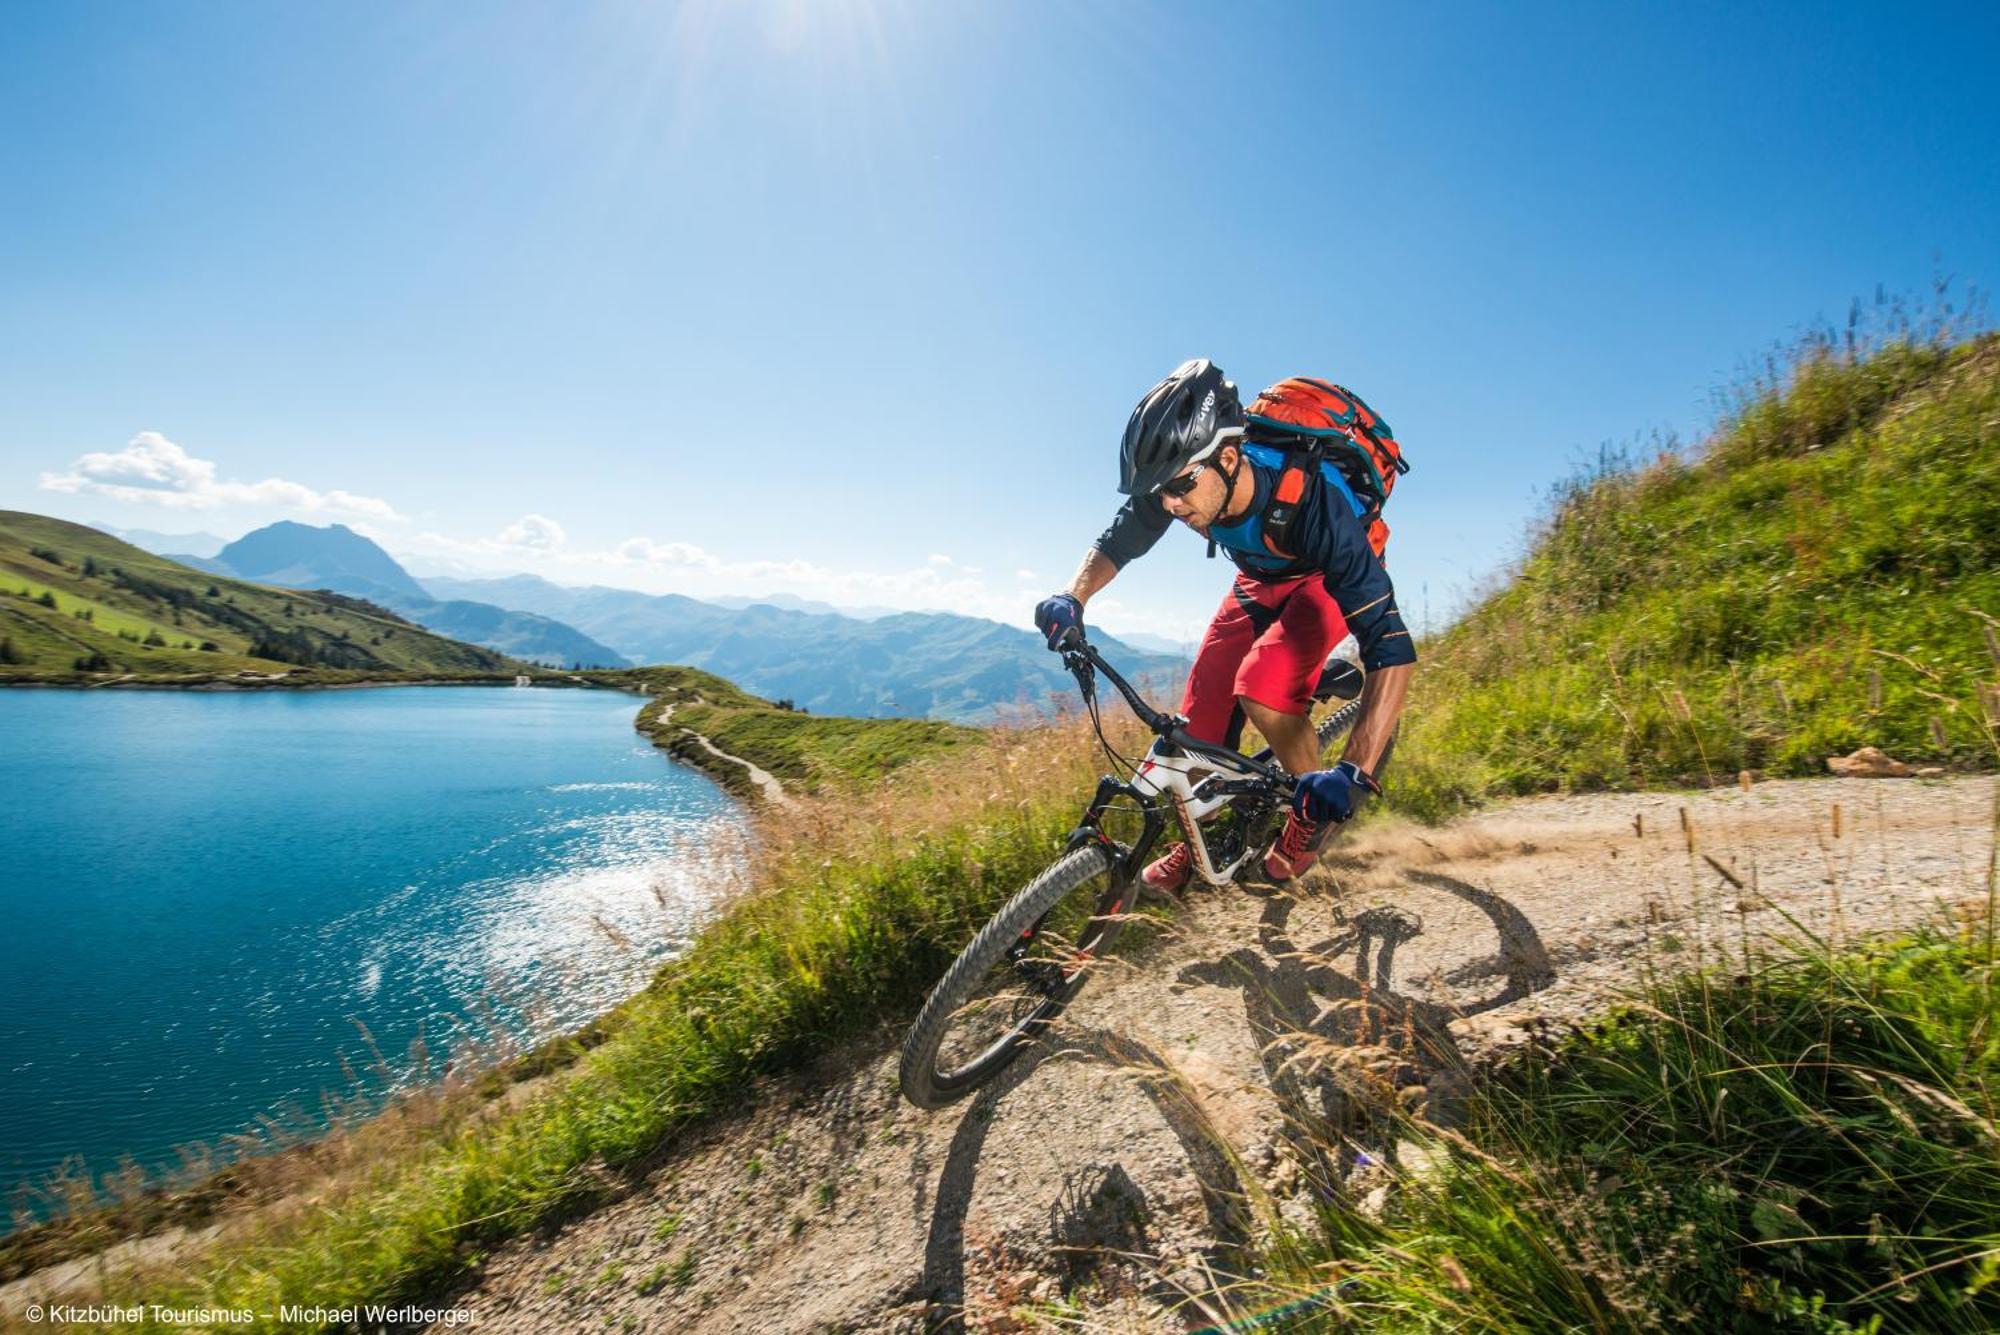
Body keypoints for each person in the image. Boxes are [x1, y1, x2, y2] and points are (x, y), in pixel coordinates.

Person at [1033, 358, 1416, 888]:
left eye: (1181, 486)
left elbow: (1390, 643)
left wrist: (1353, 773)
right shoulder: (1183, 483)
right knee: (1201, 710)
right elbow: (1119, 541)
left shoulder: (1315, 502)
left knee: (1264, 686)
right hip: (1262, 577)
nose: (1169, 503)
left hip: (1327, 578)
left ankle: (1310, 821)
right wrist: (1072, 598)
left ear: (1229, 457)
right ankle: (1199, 841)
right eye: (1159, 491)